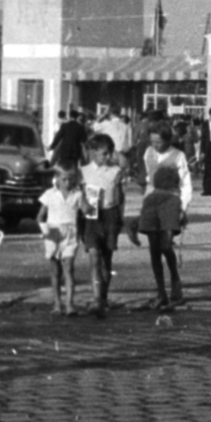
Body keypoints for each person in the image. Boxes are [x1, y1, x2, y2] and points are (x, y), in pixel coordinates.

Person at [79, 133, 126, 316]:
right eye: (103, 153)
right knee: (94, 256)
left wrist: (122, 219)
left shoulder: (115, 171)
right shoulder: (83, 171)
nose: (107, 157)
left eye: (109, 153)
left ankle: (103, 298)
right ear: (93, 152)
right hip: (91, 217)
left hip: (110, 215)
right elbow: (80, 195)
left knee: (106, 259)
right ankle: (96, 298)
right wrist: (82, 208)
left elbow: (120, 198)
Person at [128, 165, 186, 309]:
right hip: (164, 230)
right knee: (167, 252)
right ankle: (174, 284)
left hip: (152, 230)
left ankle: (161, 292)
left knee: (155, 257)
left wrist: (135, 229)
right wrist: (173, 230)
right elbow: (174, 218)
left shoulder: (151, 198)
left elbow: (145, 217)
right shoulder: (174, 198)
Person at [38, 167, 84, 315]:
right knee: (55, 270)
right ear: (56, 179)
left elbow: (87, 210)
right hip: (53, 232)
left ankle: (70, 304)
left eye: (70, 179)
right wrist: (45, 231)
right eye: (64, 179)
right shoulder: (50, 194)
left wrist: (90, 200)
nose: (67, 182)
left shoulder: (77, 194)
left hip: (70, 232)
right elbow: (40, 216)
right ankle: (57, 303)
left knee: (69, 268)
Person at [142, 123, 194, 214]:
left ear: (168, 140)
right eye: (152, 141)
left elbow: (185, 182)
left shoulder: (178, 155)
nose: (155, 145)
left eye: (158, 142)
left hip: (171, 196)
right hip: (151, 194)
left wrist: (183, 206)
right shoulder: (149, 152)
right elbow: (148, 173)